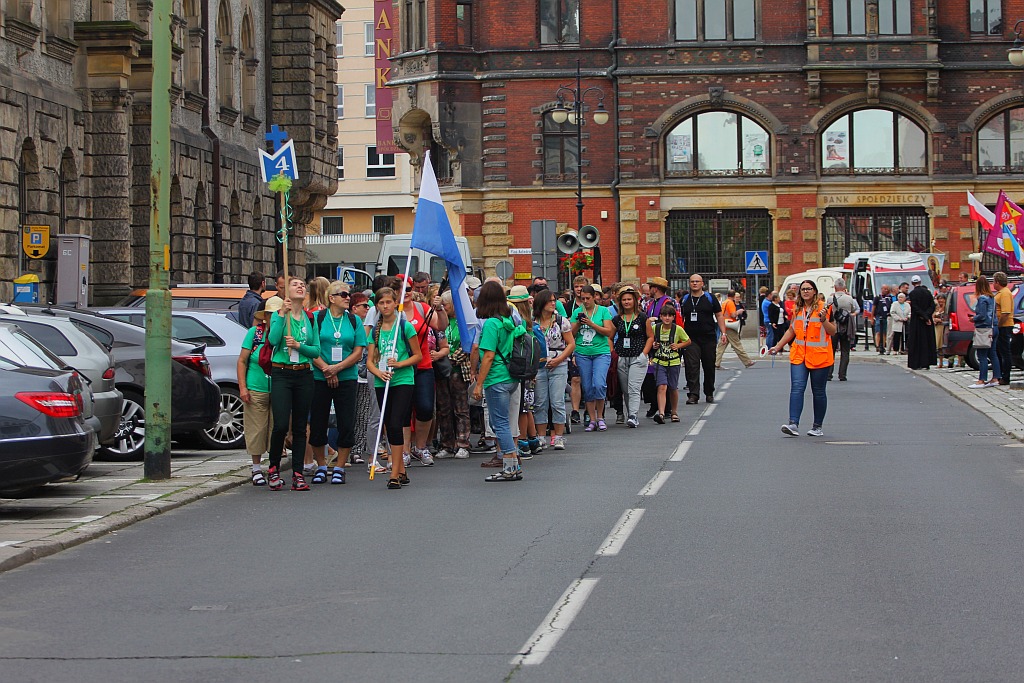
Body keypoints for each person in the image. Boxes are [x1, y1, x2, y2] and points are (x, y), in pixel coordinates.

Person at [308, 281, 366, 485]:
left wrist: (337, 368)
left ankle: (340, 466)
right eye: (342, 294)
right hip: (319, 376)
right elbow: (309, 346)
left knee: (346, 422)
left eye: (348, 294)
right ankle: (322, 465)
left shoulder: (353, 321)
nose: (347, 297)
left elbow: (358, 351)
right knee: (318, 423)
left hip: (346, 377)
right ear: (331, 298)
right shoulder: (317, 318)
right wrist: (326, 368)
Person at [266, 277, 321, 491]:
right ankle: (273, 468)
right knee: (280, 424)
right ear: (286, 291)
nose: (300, 287)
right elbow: (272, 340)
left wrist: (299, 346)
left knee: (300, 427)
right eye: (295, 284)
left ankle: (298, 472)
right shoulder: (281, 315)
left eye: (302, 285)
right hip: (282, 372)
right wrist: (281, 314)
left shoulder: (310, 318)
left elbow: (315, 350)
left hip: (304, 374)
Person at [367, 287, 422, 489]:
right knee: (388, 424)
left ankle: (394, 471)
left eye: (389, 302)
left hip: (403, 380)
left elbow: (418, 355)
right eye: (381, 303)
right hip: (383, 380)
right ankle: (401, 469)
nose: (385, 306)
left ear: (395, 303)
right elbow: (370, 360)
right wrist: (378, 372)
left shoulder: (405, 326)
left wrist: (399, 364)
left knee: (396, 422)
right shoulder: (375, 330)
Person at [769, 279, 837, 437]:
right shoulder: (797, 308)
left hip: (819, 356)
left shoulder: (824, 308)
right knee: (797, 388)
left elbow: (833, 331)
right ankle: (793, 423)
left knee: (818, 391)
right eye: (803, 289)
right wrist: (778, 346)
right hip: (799, 354)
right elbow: (792, 330)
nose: (806, 291)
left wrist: (824, 320)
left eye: (809, 289)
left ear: (814, 291)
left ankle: (817, 426)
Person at [472, 281, 524, 482]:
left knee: (499, 423)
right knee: (499, 422)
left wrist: (478, 384)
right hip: (510, 376)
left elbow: (488, 356)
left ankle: (510, 465)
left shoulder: (491, 324)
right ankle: (512, 463)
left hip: (496, 378)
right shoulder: (507, 319)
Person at [237, 298, 274, 485]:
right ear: (265, 317)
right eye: (270, 314)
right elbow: (242, 360)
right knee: (256, 429)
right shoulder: (255, 333)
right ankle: (256, 468)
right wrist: (243, 387)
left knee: (277, 429)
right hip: (256, 387)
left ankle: (273, 467)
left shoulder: (285, 334)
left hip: (278, 388)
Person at [570, 284, 616, 432]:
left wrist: (591, 323)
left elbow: (608, 332)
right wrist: (578, 322)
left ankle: (601, 416)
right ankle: (592, 419)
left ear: (594, 297)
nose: (585, 301)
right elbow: (571, 334)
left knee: (599, 384)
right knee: (588, 387)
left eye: (588, 298)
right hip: (583, 352)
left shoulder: (602, 311)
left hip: (600, 352)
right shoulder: (577, 311)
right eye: (582, 298)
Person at [534, 289, 575, 449]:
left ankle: (558, 436)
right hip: (539, 364)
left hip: (558, 363)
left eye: (554, 300)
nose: (553, 303)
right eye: (550, 301)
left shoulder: (561, 321)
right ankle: (541, 436)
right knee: (540, 402)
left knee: (557, 401)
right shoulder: (533, 321)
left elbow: (571, 344)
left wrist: (559, 359)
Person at [681, 274, 726, 404]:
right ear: (689, 284)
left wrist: (723, 333)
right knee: (691, 366)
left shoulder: (710, 298)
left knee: (708, 366)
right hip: (690, 338)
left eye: (697, 281)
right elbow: (680, 318)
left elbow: (719, 315)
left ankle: (709, 392)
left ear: (702, 284)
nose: (694, 283)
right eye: (692, 281)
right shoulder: (685, 299)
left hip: (708, 337)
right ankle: (693, 394)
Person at [613, 286, 652, 429]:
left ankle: (633, 415)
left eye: (629, 299)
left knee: (634, 387)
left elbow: (650, 337)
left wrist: (644, 354)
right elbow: (610, 337)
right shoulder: (617, 319)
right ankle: (631, 414)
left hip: (638, 357)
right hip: (622, 357)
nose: (626, 302)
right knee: (626, 389)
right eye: (624, 300)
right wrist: (613, 352)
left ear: (635, 301)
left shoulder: (642, 317)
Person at [649, 303, 689, 424]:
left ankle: (674, 411)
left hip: (673, 361)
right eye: (664, 315)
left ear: (673, 317)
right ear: (660, 316)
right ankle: (661, 413)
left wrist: (678, 345)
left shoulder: (678, 329)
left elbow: (688, 341)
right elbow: (649, 340)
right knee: (662, 386)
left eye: (670, 315)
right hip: (659, 361)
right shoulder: (655, 328)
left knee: (672, 387)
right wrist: (654, 345)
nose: (667, 318)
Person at [349, 291, 376, 465]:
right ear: (354, 308)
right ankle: (344, 447)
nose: (368, 308)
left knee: (363, 414)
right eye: (364, 306)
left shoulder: (367, 324)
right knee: (348, 413)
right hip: (349, 373)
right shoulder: (350, 323)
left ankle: (357, 449)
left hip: (364, 375)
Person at [968, 275, 1001, 388]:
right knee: (993, 353)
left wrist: (973, 318)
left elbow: (982, 315)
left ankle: (982, 380)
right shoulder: (992, 297)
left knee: (982, 355)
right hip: (994, 327)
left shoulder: (982, 298)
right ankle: (996, 377)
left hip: (984, 328)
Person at [828, 278, 860, 381]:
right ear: (844, 287)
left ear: (835, 287)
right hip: (846, 327)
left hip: (833, 326)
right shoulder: (849, 299)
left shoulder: (830, 299)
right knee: (845, 351)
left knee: (830, 351)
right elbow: (854, 310)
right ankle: (842, 374)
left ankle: (829, 373)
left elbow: (826, 311)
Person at [715, 290, 755, 369]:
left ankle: (716, 362)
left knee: (721, 346)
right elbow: (733, 314)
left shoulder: (724, 302)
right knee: (737, 344)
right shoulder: (731, 303)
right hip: (730, 325)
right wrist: (738, 312)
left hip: (724, 325)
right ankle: (747, 361)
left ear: (727, 295)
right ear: (733, 296)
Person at [906, 275, 937, 370]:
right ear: (920, 281)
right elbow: (932, 306)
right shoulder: (927, 292)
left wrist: (923, 316)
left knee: (916, 341)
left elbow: (915, 307)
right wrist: (927, 317)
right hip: (927, 321)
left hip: (917, 320)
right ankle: (926, 362)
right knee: (927, 341)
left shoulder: (912, 293)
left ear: (912, 283)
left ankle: (916, 363)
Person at [993, 271, 1015, 385]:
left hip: (1004, 326)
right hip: (1001, 325)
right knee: (999, 351)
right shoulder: (1000, 293)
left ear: (997, 282)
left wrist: (999, 325)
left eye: (994, 282)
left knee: (1005, 351)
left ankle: (1006, 377)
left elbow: (1005, 312)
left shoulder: (1005, 293)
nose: (993, 284)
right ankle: (1000, 374)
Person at [872, 285, 892, 354]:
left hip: (886, 316)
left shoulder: (889, 298)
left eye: (887, 289)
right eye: (884, 289)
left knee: (884, 332)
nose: (885, 290)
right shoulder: (877, 297)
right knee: (878, 332)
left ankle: (883, 345)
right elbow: (873, 307)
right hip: (878, 316)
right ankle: (878, 345)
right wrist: (872, 317)